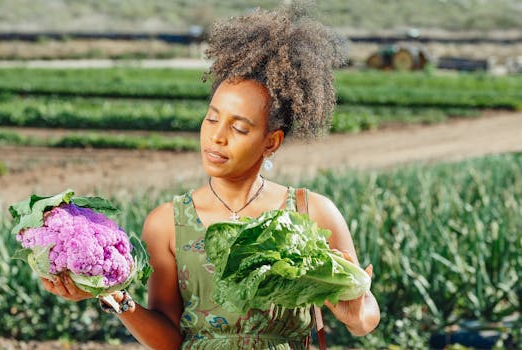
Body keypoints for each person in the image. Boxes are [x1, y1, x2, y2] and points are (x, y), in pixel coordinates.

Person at [41, 5, 380, 349]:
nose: (217, 137)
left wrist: (356, 315)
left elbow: (365, 312)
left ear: (271, 141)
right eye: (212, 118)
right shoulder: (166, 224)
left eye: (239, 127)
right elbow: (169, 340)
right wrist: (115, 296)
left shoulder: (313, 212)